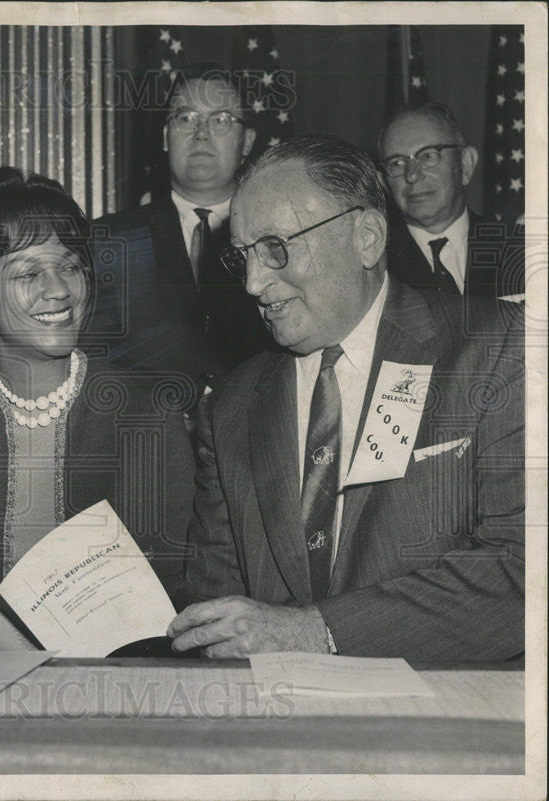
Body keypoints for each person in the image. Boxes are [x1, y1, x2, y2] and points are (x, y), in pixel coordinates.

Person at [169, 137, 524, 662]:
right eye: (242, 257)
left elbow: (523, 568)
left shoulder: (496, 349)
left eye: (275, 248)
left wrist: (320, 632)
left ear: (367, 238)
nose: (252, 282)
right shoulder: (230, 407)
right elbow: (211, 610)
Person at [0, 167, 194, 651]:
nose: (59, 290)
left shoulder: (149, 415)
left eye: (70, 266)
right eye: (29, 272)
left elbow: (182, 598)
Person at [87, 64, 275, 410]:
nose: (201, 134)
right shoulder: (109, 240)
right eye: (186, 118)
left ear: (247, 141)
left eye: (220, 120)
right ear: (164, 136)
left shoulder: (279, 236)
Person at [378, 101, 524, 299]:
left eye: (428, 156)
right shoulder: (373, 264)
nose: (412, 175)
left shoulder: (517, 250)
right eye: (397, 163)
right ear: (384, 183)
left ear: (466, 165)